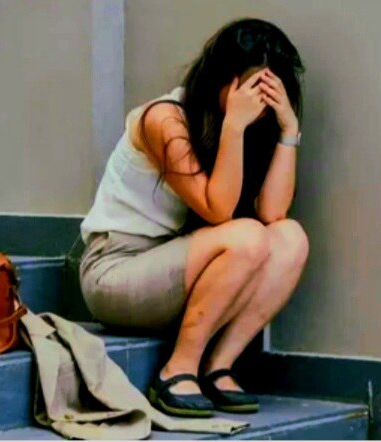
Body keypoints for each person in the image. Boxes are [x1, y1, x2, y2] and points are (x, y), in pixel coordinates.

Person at [79, 17, 308, 418]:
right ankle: (177, 370)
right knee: (247, 236)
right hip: (116, 272)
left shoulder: (246, 126)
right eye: (251, 89)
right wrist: (234, 125)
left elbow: (273, 213)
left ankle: (219, 366)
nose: (258, 103)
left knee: (290, 237)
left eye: (269, 92)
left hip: (178, 269)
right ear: (223, 79)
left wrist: (289, 129)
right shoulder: (164, 119)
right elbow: (217, 210)